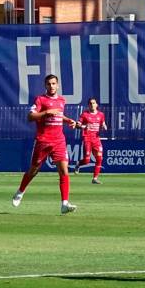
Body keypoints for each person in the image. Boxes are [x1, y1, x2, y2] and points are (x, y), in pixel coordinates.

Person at [12, 74, 78, 214]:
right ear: (45, 86)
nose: (51, 86)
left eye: (54, 83)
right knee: (34, 170)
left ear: (58, 85)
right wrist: (46, 112)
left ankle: (64, 203)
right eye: (49, 84)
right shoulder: (41, 99)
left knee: (64, 171)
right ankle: (20, 191)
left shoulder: (61, 100)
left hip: (59, 140)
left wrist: (68, 121)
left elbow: (59, 115)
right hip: (43, 140)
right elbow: (30, 116)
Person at [74, 97, 107, 184]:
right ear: (88, 105)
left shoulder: (101, 114)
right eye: (90, 103)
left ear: (97, 105)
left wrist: (104, 126)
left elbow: (103, 122)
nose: (92, 105)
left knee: (99, 158)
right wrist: (82, 126)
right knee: (87, 160)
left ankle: (95, 178)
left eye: (94, 103)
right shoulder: (84, 114)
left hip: (96, 139)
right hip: (87, 139)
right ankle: (78, 164)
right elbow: (78, 125)